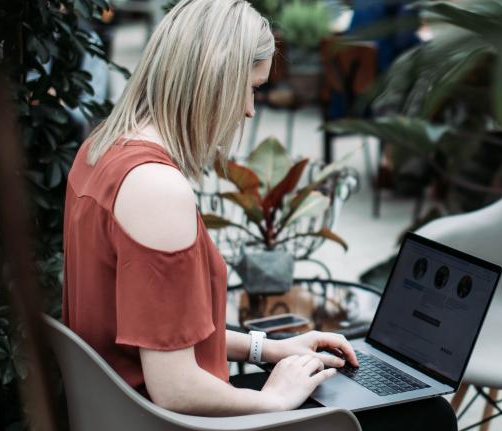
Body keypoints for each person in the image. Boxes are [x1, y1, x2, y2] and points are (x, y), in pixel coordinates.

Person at [62, 0, 456, 429]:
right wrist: (274, 399)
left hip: (123, 412)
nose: (250, 110)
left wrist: (269, 349)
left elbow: (157, 333)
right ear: (213, 81)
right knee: (426, 416)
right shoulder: (157, 188)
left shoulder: (102, 147)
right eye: (250, 89)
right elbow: (175, 389)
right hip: (174, 422)